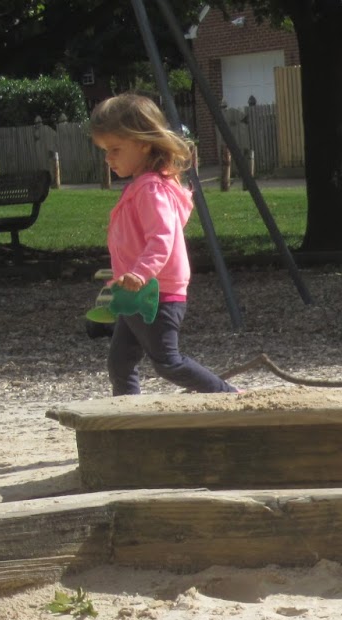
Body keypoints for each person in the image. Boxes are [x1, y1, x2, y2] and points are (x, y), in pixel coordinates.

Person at [89, 94, 236, 396]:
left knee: (168, 362)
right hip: (138, 292)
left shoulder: (151, 189)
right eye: (105, 151)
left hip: (157, 293)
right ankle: (128, 414)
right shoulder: (143, 186)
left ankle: (228, 397)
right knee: (120, 362)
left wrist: (141, 272)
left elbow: (162, 237)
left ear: (143, 143)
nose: (108, 158)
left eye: (115, 149)